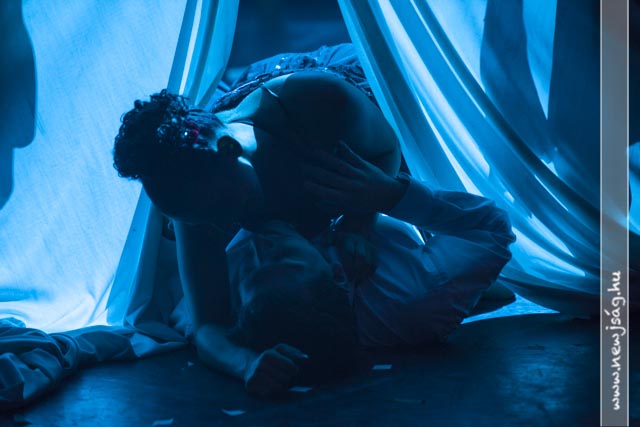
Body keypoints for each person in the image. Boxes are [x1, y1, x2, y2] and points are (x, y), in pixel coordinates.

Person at [113, 44, 516, 396]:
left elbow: (385, 149)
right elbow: (207, 326)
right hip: (240, 108)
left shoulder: (317, 106)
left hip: (340, 85)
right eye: (202, 219)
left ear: (231, 150)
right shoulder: (197, 199)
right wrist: (247, 365)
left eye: (224, 205)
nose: (224, 224)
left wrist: (359, 222)